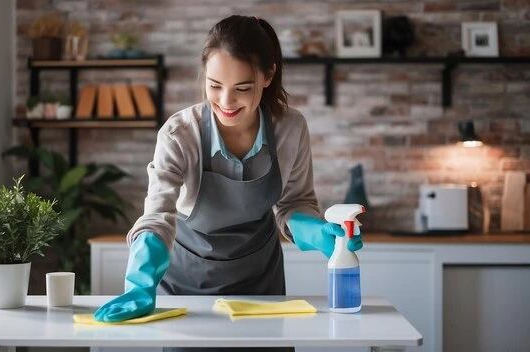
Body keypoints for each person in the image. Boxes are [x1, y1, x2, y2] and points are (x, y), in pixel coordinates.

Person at [94, 15, 364, 351]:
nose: (225, 101)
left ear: (268, 76)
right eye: (214, 85)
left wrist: (317, 233)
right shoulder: (180, 134)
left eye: (242, 88)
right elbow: (158, 215)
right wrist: (139, 283)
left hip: (261, 290)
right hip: (185, 291)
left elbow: (294, 202)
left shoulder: (290, 128)